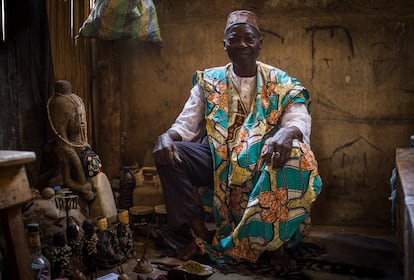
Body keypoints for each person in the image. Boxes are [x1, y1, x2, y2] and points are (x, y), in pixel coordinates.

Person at [152, 10, 322, 268]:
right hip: (218, 161)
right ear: (225, 45)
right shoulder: (208, 81)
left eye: (249, 38)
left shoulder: (280, 81)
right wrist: (166, 137)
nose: (242, 44)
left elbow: (298, 116)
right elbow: (186, 124)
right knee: (168, 151)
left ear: (259, 42)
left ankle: (275, 245)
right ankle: (197, 235)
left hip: (263, 161)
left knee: (297, 154)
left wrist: (286, 133)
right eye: (234, 38)